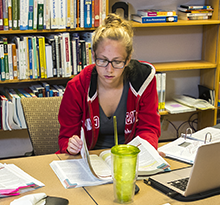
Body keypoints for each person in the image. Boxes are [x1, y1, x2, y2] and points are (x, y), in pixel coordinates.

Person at [58, 13, 160, 155]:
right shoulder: (77, 86)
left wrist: (146, 150)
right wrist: (71, 145)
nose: (109, 70)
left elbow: (149, 128)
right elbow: (65, 137)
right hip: (90, 161)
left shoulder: (143, 80)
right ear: (93, 56)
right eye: (102, 60)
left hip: (129, 157)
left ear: (128, 59)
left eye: (117, 62)